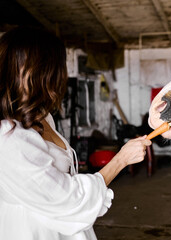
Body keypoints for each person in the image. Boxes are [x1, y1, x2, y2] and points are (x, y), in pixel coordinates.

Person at [0, 26, 152, 240]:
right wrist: (121, 160)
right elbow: (68, 199)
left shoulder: (43, 116)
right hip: (34, 231)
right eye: (55, 67)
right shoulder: (8, 139)